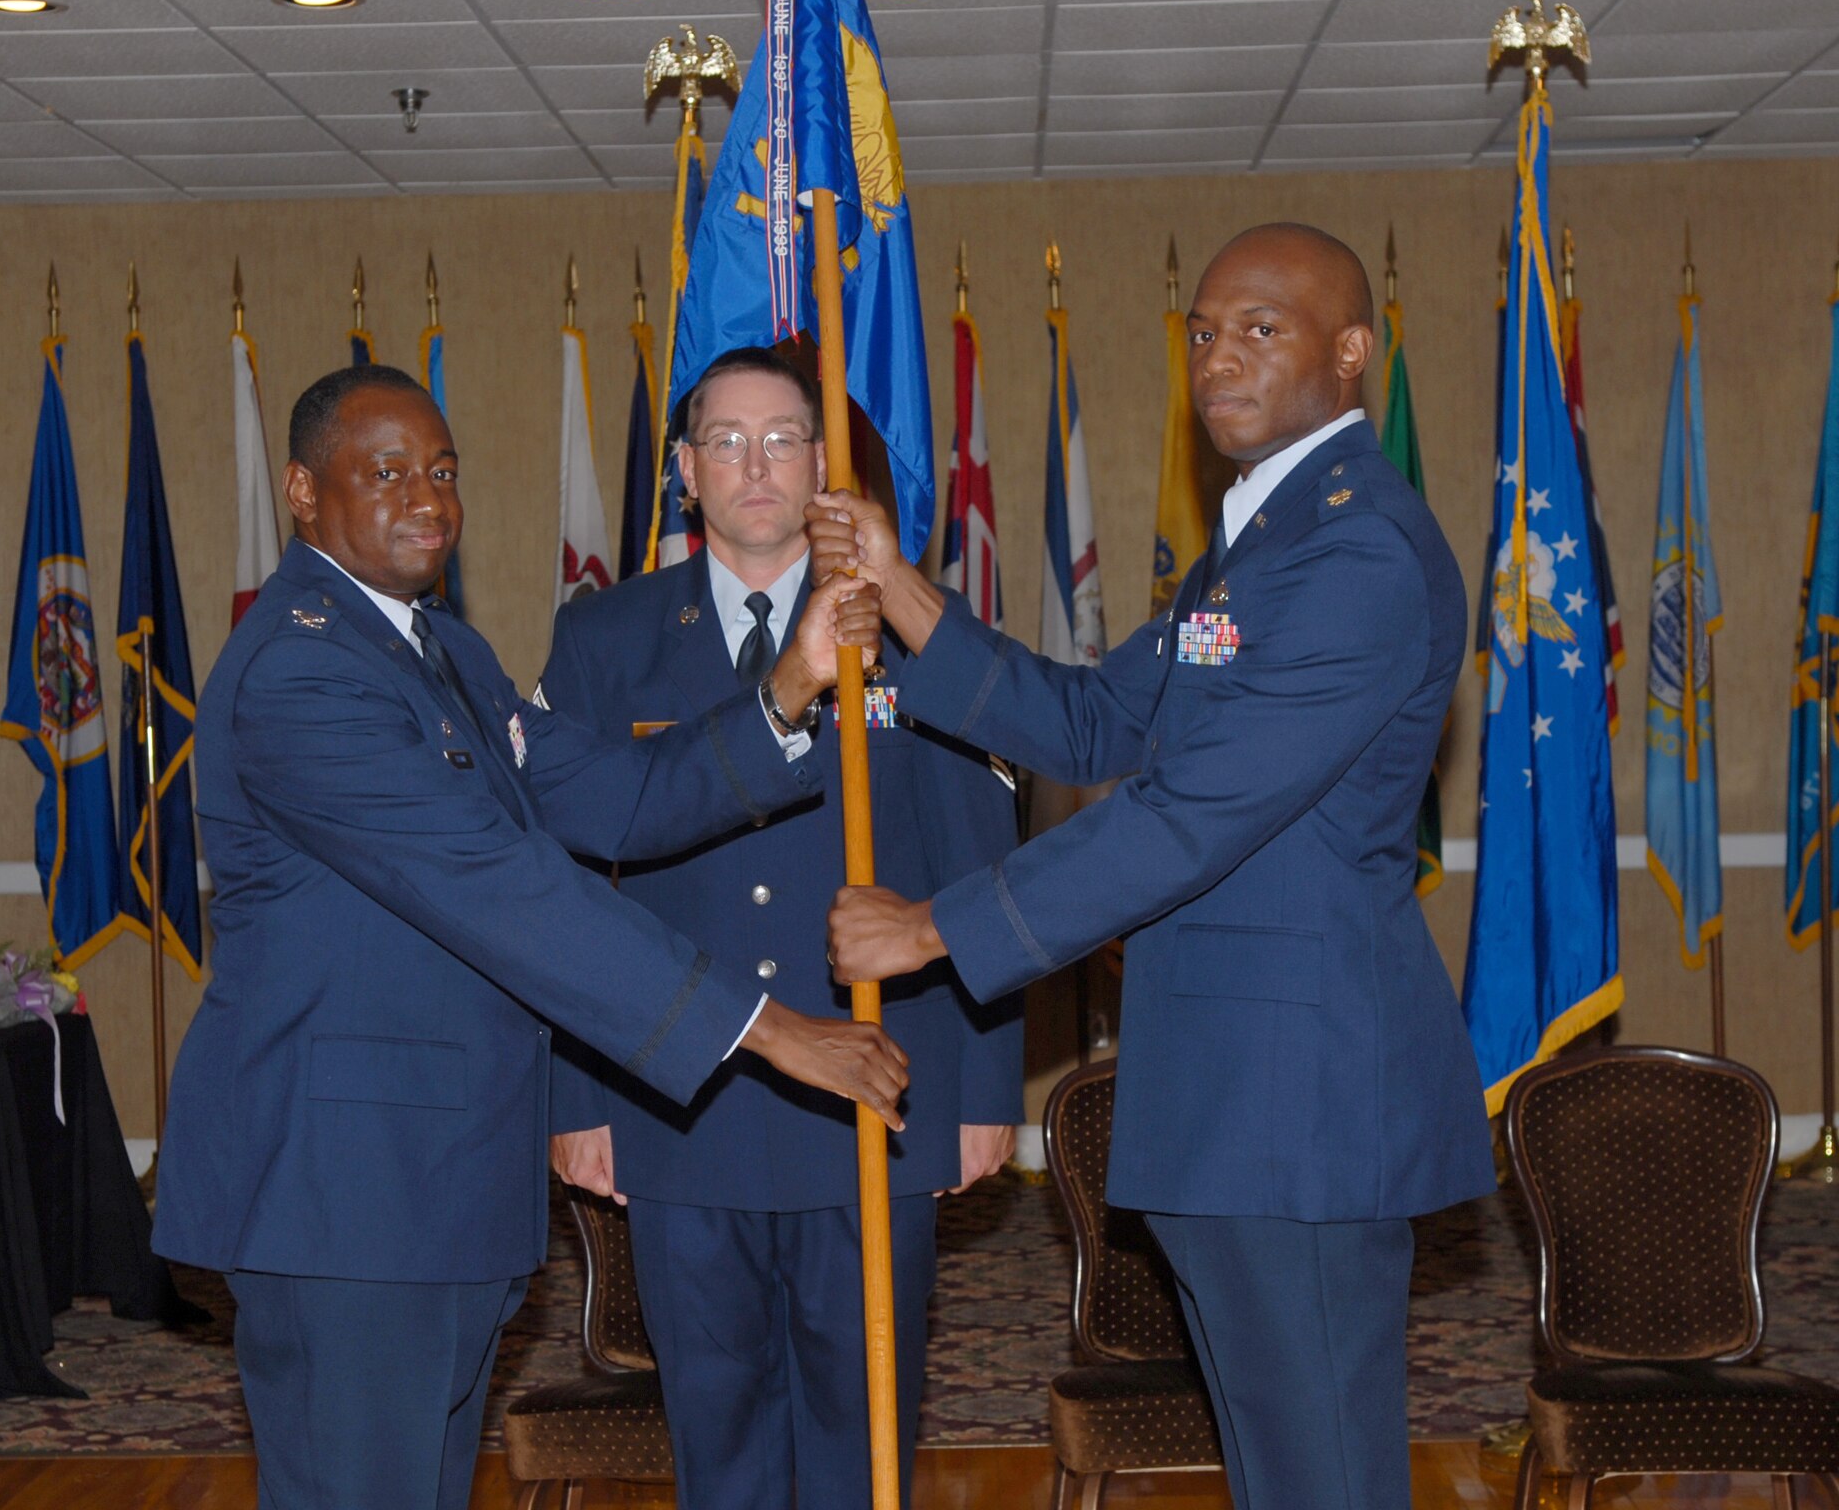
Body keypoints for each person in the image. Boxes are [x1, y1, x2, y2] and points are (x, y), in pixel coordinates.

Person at [817, 225, 1495, 1510]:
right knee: (1275, 1463)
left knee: (1320, 1473)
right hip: (1234, 1096)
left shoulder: (1355, 553)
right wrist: (898, 586)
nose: (1217, 356)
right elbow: (1086, 724)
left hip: (1300, 1106)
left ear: (1351, 354)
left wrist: (936, 930)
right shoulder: (1254, 548)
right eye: (1200, 330)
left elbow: (1191, 811)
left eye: (1260, 328)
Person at [153, 362, 911, 1510]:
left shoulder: (442, 654)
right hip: (342, 1199)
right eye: (387, 472)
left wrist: (795, 679)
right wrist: (764, 1031)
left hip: (435, 1187)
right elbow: (502, 887)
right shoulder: (303, 667)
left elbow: (622, 797)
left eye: (442, 470)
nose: (426, 498)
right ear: (303, 493)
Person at [540, 345, 1022, 1510]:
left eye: (782, 439)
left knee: (862, 1429)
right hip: (677, 1100)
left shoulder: (909, 628)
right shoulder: (604, 639)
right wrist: (578, 1096)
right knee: (716, 1425)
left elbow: (977, 867)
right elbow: (563, 882)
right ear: (685, 475)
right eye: (724, 441)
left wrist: (984, 1090)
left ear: (823, 468)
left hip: (878, 1096)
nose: (754, 464)